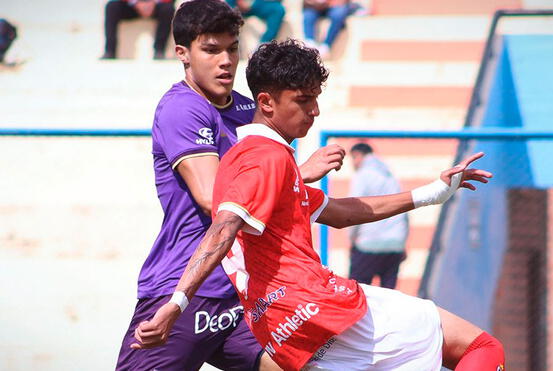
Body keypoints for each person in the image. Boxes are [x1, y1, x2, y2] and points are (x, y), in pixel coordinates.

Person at [131, 39, 504, 371]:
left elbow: (341, 214)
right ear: (265, 102)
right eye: (303, 100)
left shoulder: (253, 159)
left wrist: (432, 193)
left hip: (282, 325)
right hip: (322, 305)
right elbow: (224, 226)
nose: (315, 112)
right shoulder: (267, 157)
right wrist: (176, 304)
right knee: (482, 348)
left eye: (316, 99)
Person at [115, 1, 344, 370]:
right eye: (211, 49)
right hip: (187, 288)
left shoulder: (248, 109)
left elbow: (284, 192)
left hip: (244, 293)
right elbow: (212, 198)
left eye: (232, 47)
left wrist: (428, 194)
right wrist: (299, 173)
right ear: (182, 54)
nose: (226, 60)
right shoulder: (182, 108)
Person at [348, 142, 408, 289]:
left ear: (358, 156)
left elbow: (353, 207)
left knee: (358, 292)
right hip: (394, 244)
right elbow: (404, 209)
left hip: (369, 242)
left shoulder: (363, 175)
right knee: (389, 296)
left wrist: (351, 238)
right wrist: (402, 241)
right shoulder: (390, 175)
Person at [102, 0, 176, 60]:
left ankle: (159, 51)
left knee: (168, 9)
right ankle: (110, 51)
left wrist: (153, 2)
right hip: (131, 6)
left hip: (157, 5)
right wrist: (136, 3)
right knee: (111, 6)